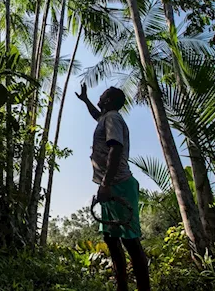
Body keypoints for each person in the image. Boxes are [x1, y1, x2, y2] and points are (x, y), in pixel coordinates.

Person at [76, 83, 150, 291]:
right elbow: (96, 115)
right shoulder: (106, 118)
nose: (99, 98)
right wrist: (86, 100)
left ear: (108, 100)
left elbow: (115, 148)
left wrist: (106, 183)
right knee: (111, 239)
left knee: (130, 242)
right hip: (109, 186)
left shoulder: (113, 118)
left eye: (101, 96)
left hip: (118, 185)